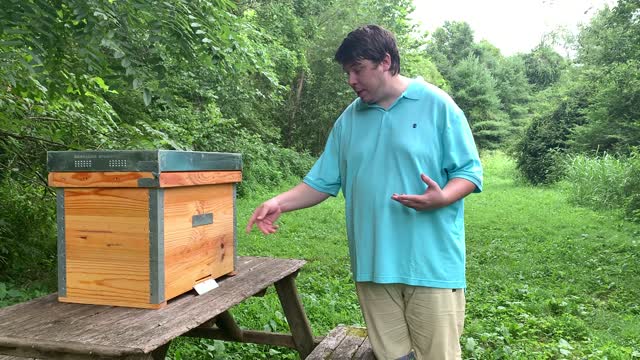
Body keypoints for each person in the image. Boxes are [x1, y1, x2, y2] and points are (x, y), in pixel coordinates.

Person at [246, 24, 483, 360]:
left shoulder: (436, 105)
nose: (351, 80)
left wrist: (442, 197)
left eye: (357, 69)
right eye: (347, 72)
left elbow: (469, 172)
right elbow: (322, 181)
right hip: (373, 264)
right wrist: (278, 202)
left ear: (385, 61)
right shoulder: (350, 119)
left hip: (431, 264)